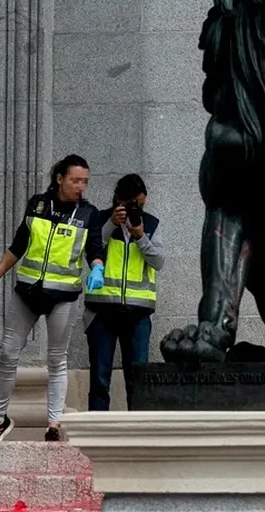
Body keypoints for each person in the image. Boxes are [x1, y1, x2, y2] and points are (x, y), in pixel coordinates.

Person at [0, 154, 105, 442]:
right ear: (59, 178)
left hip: (63, 295)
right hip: (27, 290)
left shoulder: (89, 214)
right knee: (8, 353)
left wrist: (97, 268)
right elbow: (18, 245)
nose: (80, 186)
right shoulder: (37, 204)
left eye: (84, 181)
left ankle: (54, 424)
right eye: (75, 180)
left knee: (56, 359)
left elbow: (94, 249)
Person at [83, 173, 165, 411]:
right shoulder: (99, 219)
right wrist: (111, 223)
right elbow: (92, 248)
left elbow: (159, 262)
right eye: (129, 204)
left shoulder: (151, 224)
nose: (134, 209)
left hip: (139, 313)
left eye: (139, 204)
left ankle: (138, 434)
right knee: (99, 378)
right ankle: (97, 436)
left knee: (137, 378)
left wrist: (140, 237)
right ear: (118, 200)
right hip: (102, 311)